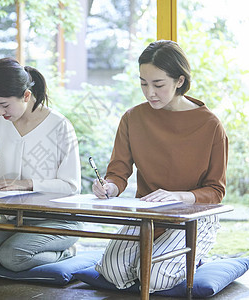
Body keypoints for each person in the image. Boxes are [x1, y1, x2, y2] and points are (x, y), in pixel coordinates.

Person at [92, 40, 228, 292]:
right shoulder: (133, 118)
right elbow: (118, 173)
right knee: (113, 272)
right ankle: (163, 256)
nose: (149, 92)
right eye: (143, 83)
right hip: (149, 214)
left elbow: (216, 191)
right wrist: (108, 187)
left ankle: (193, 258)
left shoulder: (210, 125)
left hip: (193, 215)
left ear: (179, 80)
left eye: (158, 84)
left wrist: (178, 196)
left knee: (154, 278)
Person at [0, 57, 82, 272]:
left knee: (11, 257)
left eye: (4, 105)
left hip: (57, 220)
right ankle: (28, 244)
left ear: (26, 96)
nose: (0, 112)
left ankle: (67, 251)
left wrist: (26, 183)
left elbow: (71, 185)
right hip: (15, 217)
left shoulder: (59, 126)